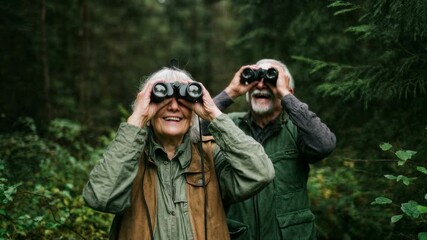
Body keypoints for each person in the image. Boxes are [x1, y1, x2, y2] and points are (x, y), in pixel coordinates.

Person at [82, 67, 275, 240]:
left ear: (193, 110)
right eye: (162, 98)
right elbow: (99, 197)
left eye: (184, 100)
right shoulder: (129, 159)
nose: (174, 107)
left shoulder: (211, 155)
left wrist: (213, 114)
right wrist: (137, 120)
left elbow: (260, 172)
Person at [203, 59, 336, 240]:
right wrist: (231, 92)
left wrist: (285, 95)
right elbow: (189, 132)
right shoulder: (229, 125)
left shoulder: (298, 129)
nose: (261, 84)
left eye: (272, 79)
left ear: (289, 91)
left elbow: (323, 145)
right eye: (255, 80)